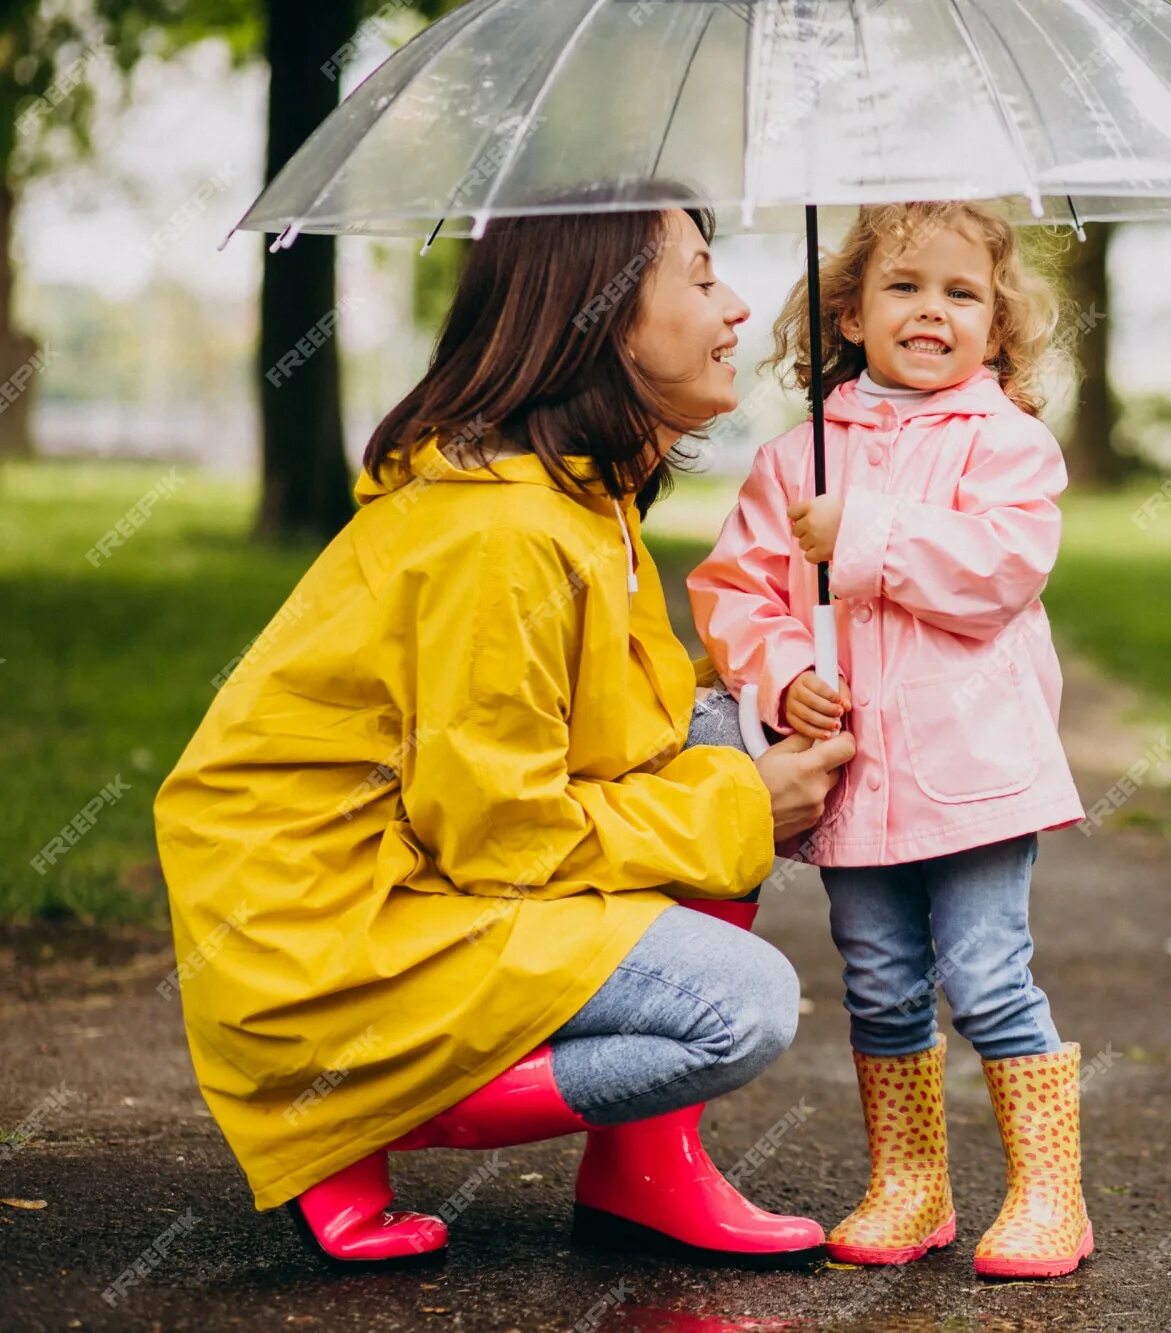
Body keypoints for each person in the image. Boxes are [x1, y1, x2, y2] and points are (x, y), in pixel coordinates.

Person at [152, 188, 854, 1270]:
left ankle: (642, 1171)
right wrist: (742, 808)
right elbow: (502, 836)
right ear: (609, 315)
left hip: (422, 871)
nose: (739, 307)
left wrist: (763, 717)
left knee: (733, 730)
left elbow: (624, 743)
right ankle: (343, 1113)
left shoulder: (581, 495)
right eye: (703, 277)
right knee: (741, 1007)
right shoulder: (502, 534)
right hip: (335, 933)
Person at [687, 200, 1092, 1280]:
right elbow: (738, 593)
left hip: (974, 775)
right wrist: (784, 675)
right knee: (877, 979)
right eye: (903, 288)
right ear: (849, 316)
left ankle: (1049, 1193)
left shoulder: (1007, 445)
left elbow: (997, 571)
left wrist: (861, 534)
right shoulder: (795, 456)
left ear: (998, 330)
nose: (932, 311)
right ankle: (910, 1183)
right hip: (855, 779)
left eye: (962, 294)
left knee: (988, 973)